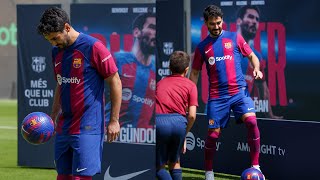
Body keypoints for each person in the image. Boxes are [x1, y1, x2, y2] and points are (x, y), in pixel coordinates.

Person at [37, 7, 122, 180]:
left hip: (87, 127)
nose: (53, 43)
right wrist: (53, 115)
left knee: (80, 178)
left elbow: (115, 81)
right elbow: (60, 84)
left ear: (67, 28)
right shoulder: (56, 52)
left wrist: (114, 120)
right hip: (63, 127)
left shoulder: (93, 47)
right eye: (49, 40)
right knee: (63, 176)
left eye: (55, 38)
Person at [189, 5, 264, 180]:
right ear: (206, 24)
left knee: (252, 122)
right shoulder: (202, 47)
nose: (216, 27)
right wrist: (191, 96)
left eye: (219, 22)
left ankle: (256, 166)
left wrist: (257, 69)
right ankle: (209, 172)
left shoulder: (235, 38)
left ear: (222, 20)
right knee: (213, 134)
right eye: (212, 24)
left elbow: (253, 56)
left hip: (239, 93)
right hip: (217, 97)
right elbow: (194, 73)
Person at [105, 13, 156, 129]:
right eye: (152, 27)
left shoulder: (155, 72)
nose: (156, 33)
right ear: (137, 32)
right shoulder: (117, 61)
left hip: (142, 143)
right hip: (114, 140)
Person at [156, 51, 198, 180]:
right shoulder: (191, 86)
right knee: (175, 163)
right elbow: (191, 116)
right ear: (187, 69)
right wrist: (184, 133)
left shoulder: (160, 83)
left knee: (158, 167)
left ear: (169, 68)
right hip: (179, 124)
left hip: (159, 122)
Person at [237, 5, 282, 119]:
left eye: (257, 19)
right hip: (220, 117)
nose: (254, 22)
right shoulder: (223, 45)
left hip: (244, 117)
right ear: (239, 21)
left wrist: (270, 115)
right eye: (251, 17)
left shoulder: (257, 56)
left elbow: (263, 89)